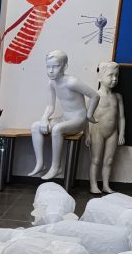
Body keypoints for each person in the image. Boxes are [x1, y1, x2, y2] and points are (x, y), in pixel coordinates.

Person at [28, 50, 100, 180]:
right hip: (65, 118)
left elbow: (95, 96)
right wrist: (44, 119)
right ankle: (40, 163)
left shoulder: (72, 82)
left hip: (78, 119)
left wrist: (89, 115)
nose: (51, 71)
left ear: (65, 66)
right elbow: (50, 106)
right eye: (48, 67)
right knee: (35, 126)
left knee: (57, 129)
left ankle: (56, 167)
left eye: (55, 66)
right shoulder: (52, 83)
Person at [88, 61, 126, 194]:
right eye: (110, 75)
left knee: (109, 161)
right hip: (97, 131)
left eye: (116, 76)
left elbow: (121, 117)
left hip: (113, 132)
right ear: (100, 77)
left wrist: (121, 133)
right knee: (96, 160)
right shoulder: (94, 96)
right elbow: (88, 117)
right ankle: (93, 185)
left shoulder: (118, 97)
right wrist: (87, 134)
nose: (114, 79)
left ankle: (105, 185)